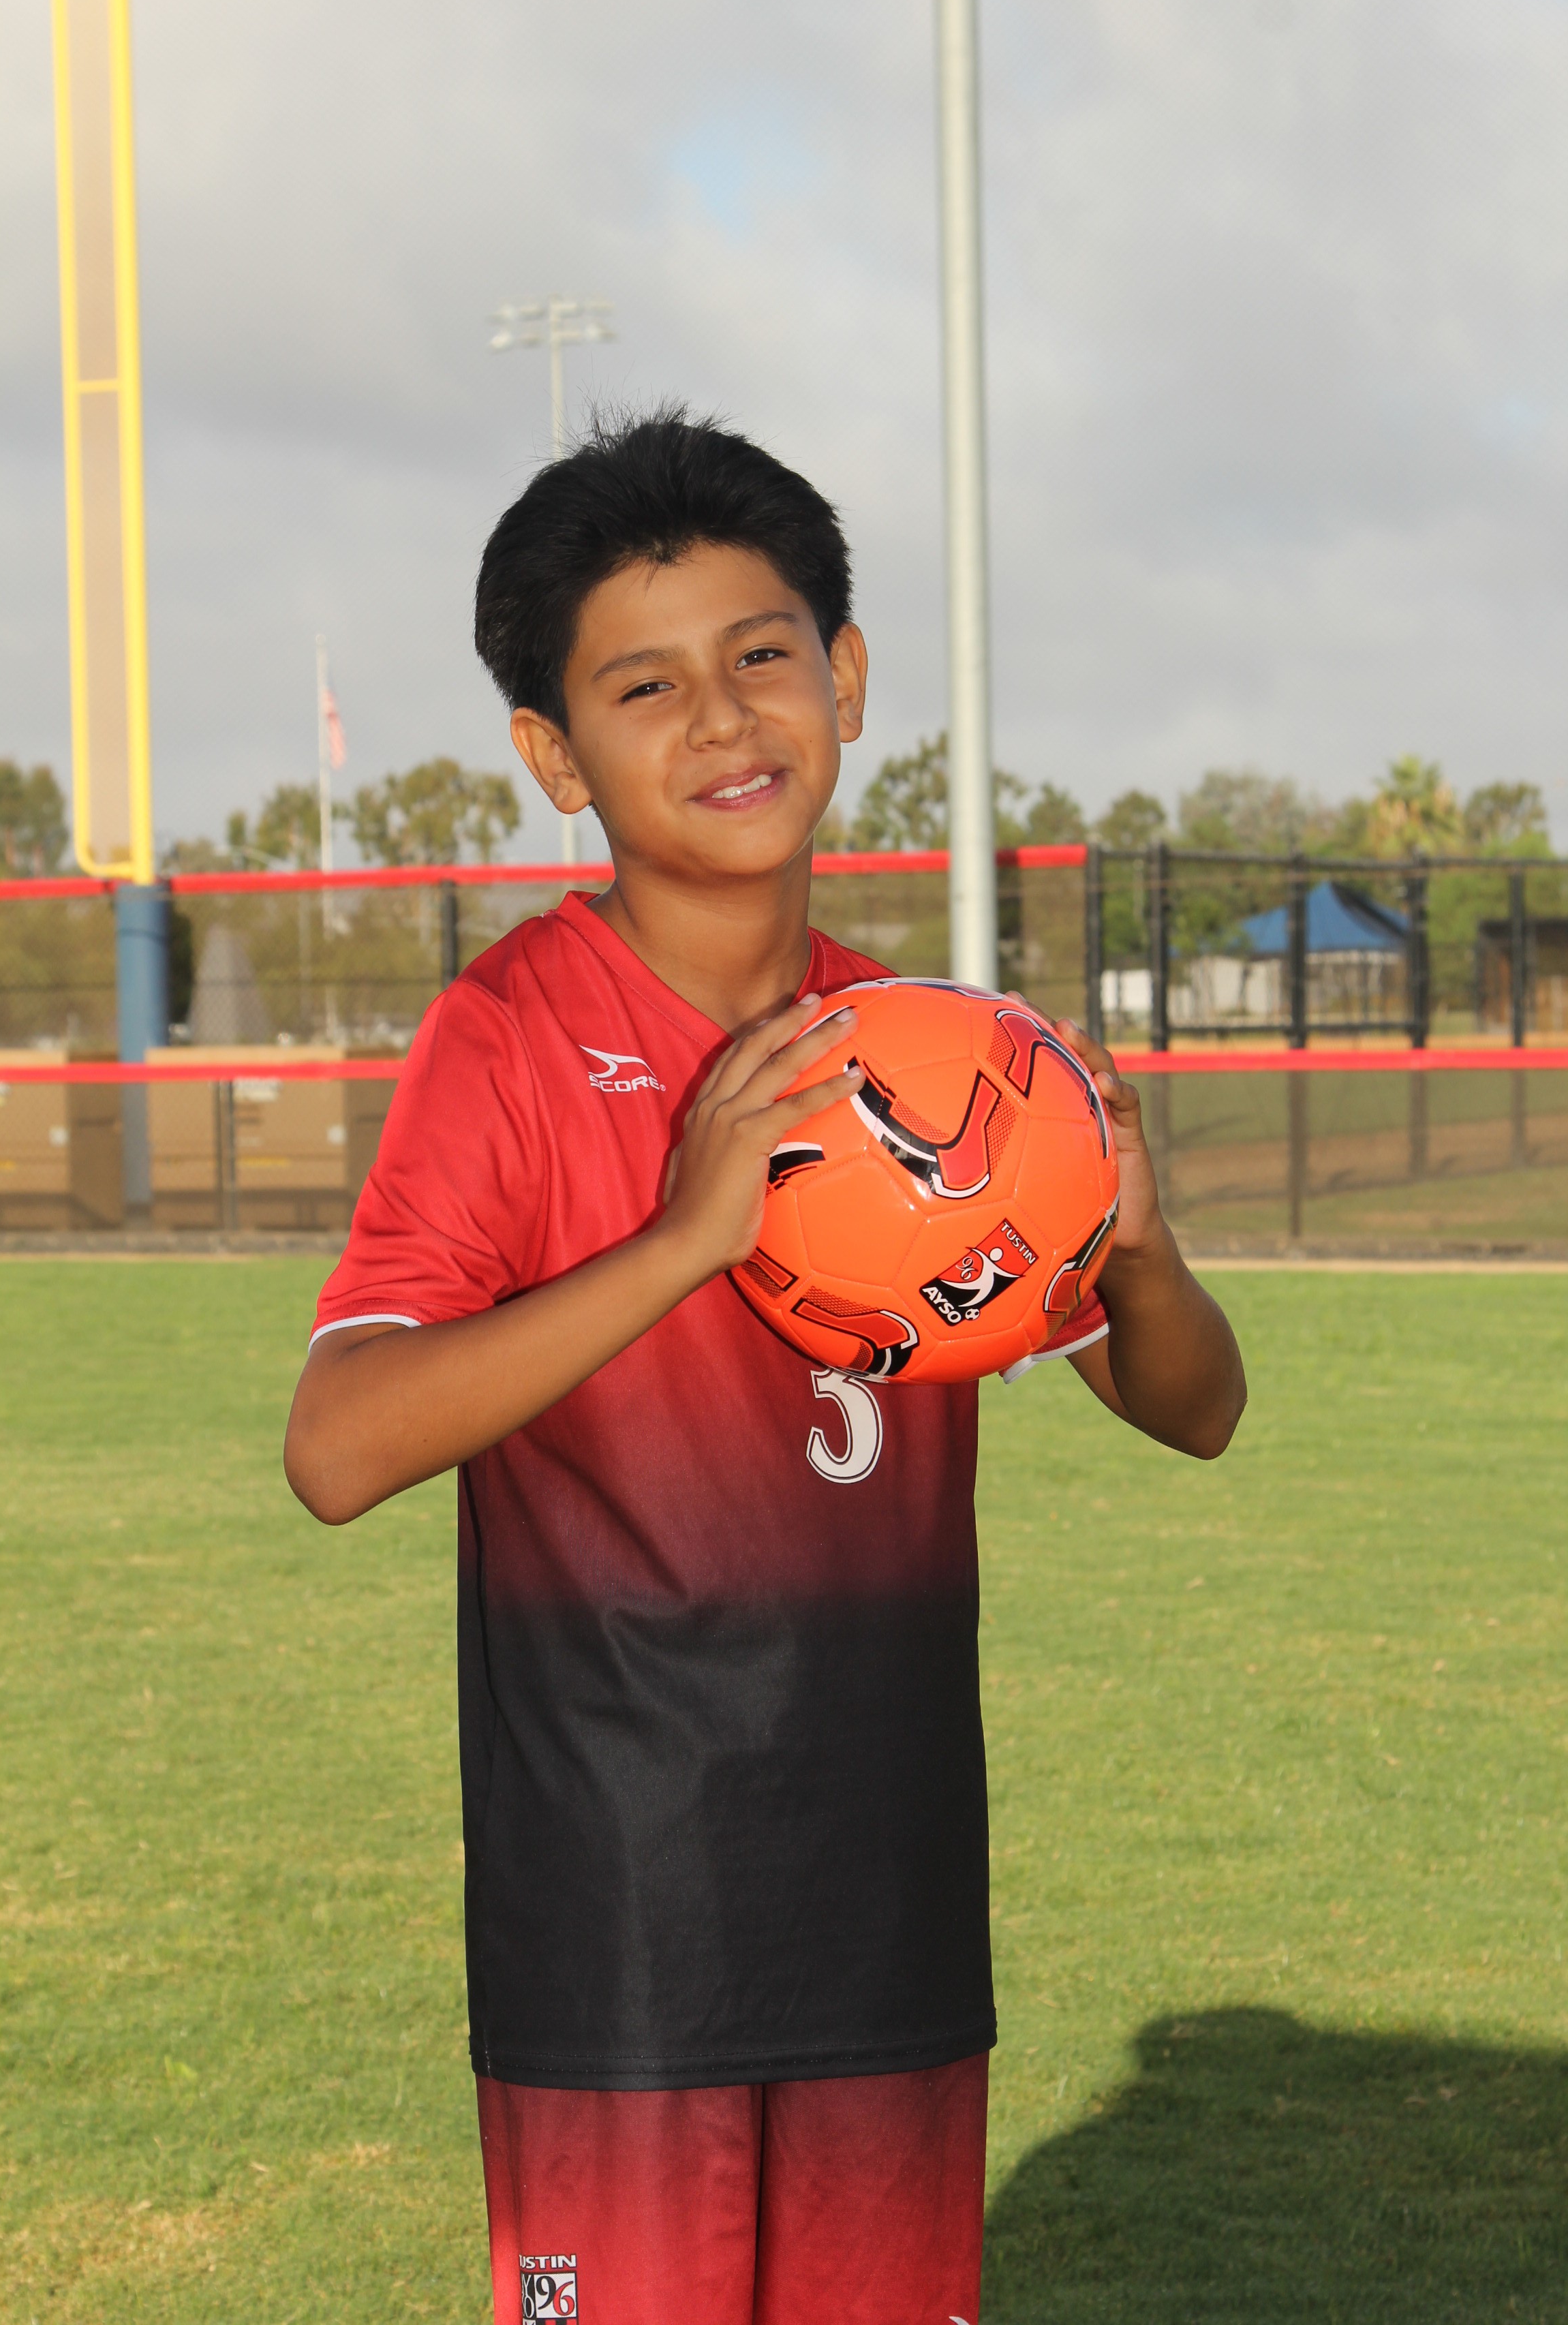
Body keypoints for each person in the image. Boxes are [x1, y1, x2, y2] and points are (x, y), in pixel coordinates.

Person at [284, 408, 1246, 2325]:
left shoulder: (935, 1055)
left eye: (761, 654)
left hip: (889, 1900)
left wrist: (1136, 1250)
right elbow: (337, 1447)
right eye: (644, 685)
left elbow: (1198, 1408)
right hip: (622, 1922)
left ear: (847, 677)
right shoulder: (509, 1034)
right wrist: (682, 1242)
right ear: (555, 753)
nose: (722, 719)